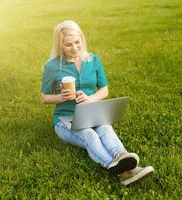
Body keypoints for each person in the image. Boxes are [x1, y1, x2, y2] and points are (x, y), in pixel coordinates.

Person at [40, 20, 154, 186]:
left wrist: (90, 98)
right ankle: (119, 169)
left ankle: (122, 157)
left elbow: (104, 90)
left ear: (82, 39)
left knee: (106, 128)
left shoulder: (93, 60)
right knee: (90, 135)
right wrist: (62, 97)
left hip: (92, 113)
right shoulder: (52, 67)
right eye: (68, 45)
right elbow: (44, 97)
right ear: (60, 46)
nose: (75, 48)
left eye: (77, 42)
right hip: (65, 119)